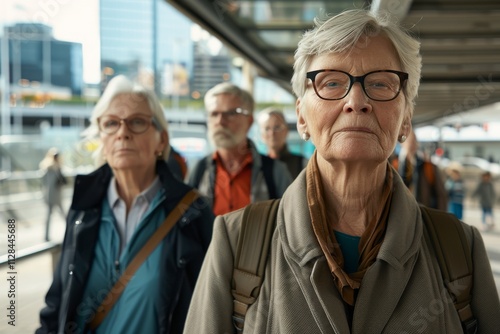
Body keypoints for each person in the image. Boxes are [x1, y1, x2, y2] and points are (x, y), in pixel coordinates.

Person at [183, 9, 500, 333]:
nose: (356, 101)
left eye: (379, 83)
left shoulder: (460, 250)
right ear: (302, 117)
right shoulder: (237, 243)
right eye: (332, 83)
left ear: (406, 118)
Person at [36, 75, 214, 334]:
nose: (123, 133)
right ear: (102, 139)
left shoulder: (192, 212)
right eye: (111, 123)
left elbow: (208, 309)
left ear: (161, 140)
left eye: (137, 122)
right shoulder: (84, 208)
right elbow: (58, 301)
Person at [187, 82, 292, 216]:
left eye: (231, 113)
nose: (220, 121)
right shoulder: (199, 170)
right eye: (214, 114)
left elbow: (289, 223)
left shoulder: (274, 172)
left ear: (249, 121)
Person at [396, 130, 448, 210]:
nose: (412, 144)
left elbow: (441, 194)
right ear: (402, 143)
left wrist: (441, 217)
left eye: (414, 141)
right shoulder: (395, 165)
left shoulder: (428, 166)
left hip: (422, 212)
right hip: (400, 212)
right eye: (409, 141)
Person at [257, 107, 307, 178]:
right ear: (261, 135)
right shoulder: (258, 165)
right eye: (267, 129)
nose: (272, 133)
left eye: (277, 127)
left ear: (286, 131)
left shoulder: (302, 163)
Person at [39, 147, 67, 241]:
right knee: (49, 216)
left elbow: (62, 181)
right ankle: (46, 236)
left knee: (63, 215)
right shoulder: (48, 167)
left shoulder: (58, 167)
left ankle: (71, 231)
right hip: (51, 195)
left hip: (57, 195)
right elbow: (45, 182)